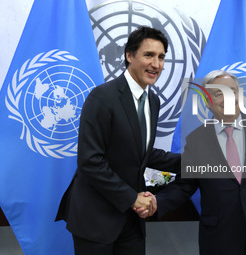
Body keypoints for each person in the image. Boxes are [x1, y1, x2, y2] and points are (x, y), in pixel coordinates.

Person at [55, 26, 180, 255]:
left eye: (161, 57)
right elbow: (90, 161)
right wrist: (133, 198)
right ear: (129, 56)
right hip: (96, 220)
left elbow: (142, 153)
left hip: (132, 221)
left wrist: (195, 161)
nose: (156, 64)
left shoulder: (152, 101)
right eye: (149, 55)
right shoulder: (102, 97)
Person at [141, 70, 246, 255]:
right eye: (219, 93)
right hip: (219, 238)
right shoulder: (197, 140)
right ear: (207, 101)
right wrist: (157, 202)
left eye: (232, 91)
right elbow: (185, 185)